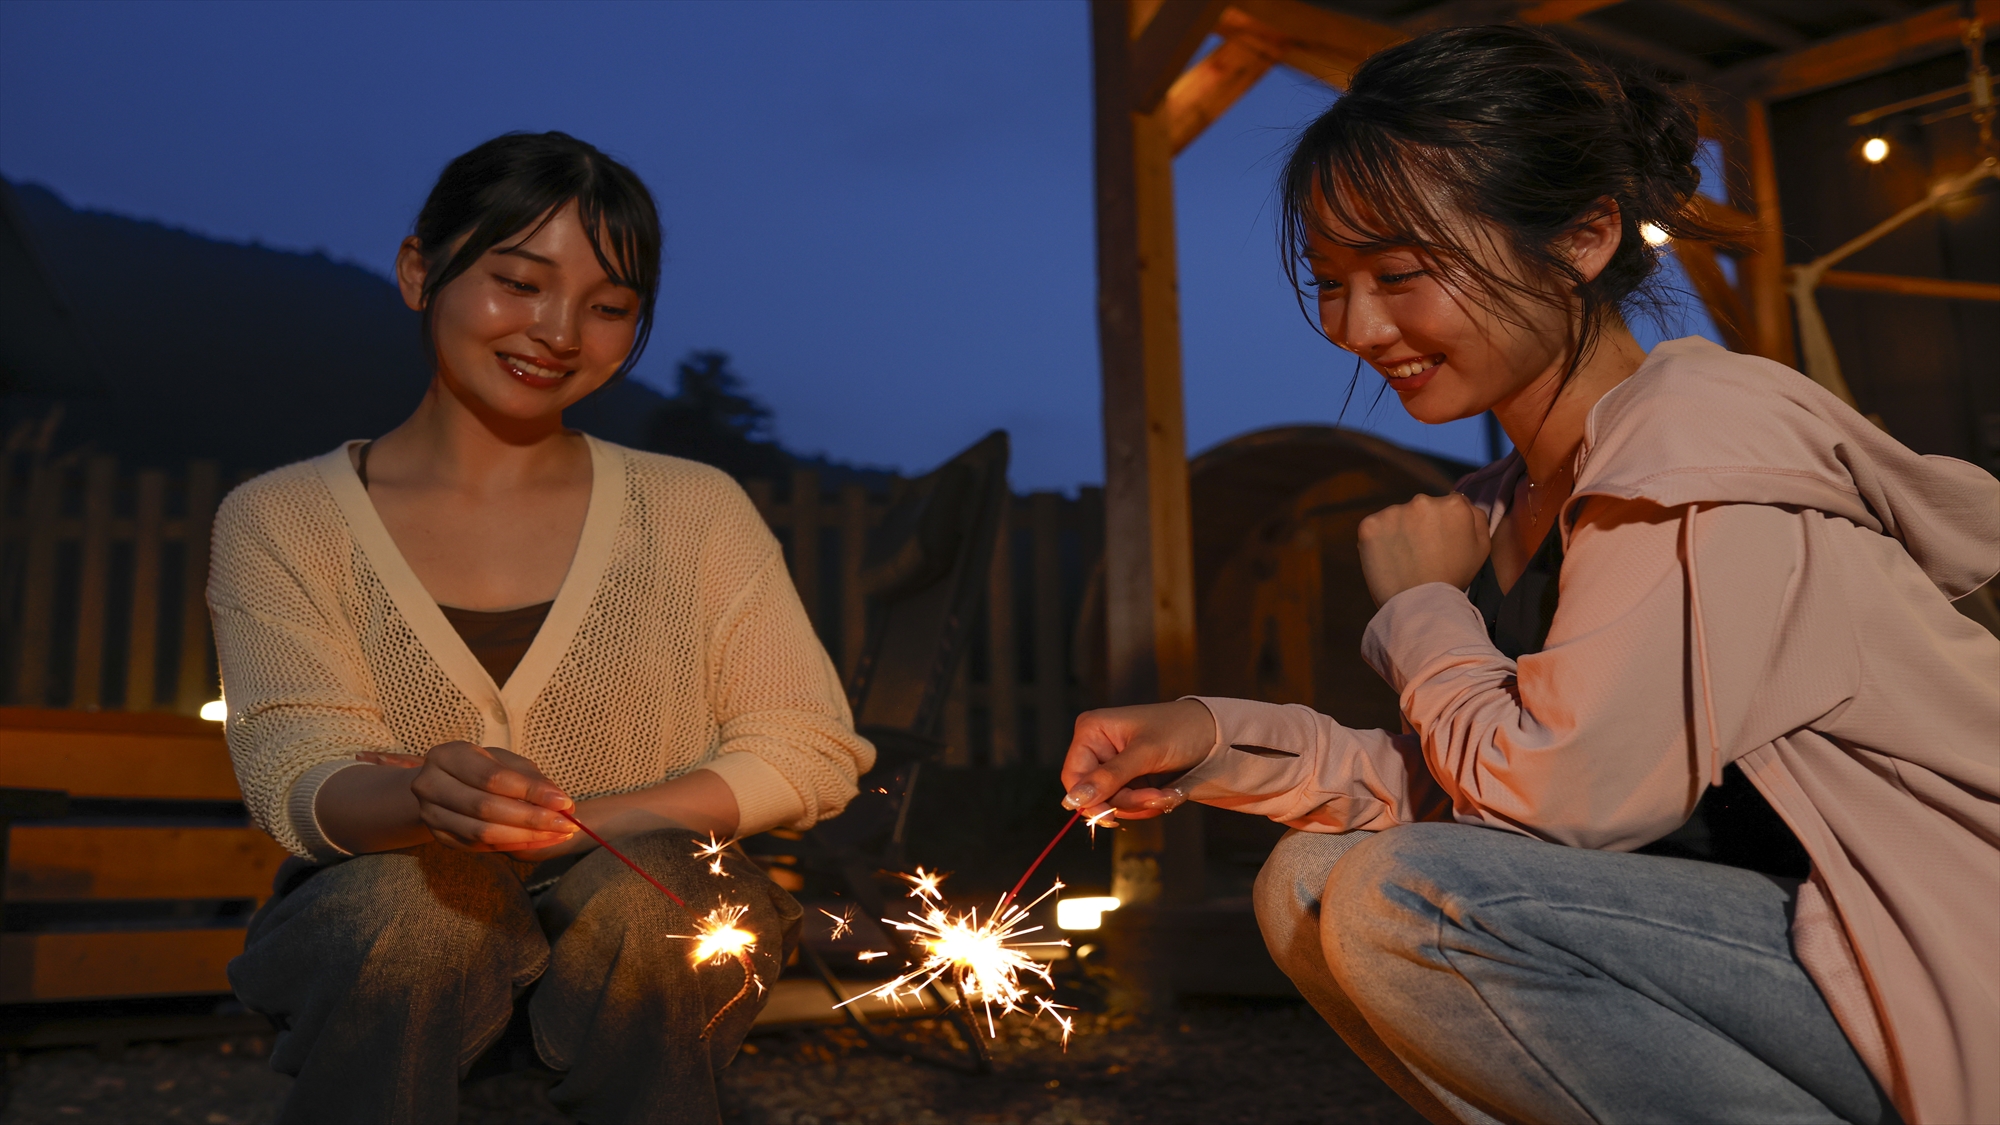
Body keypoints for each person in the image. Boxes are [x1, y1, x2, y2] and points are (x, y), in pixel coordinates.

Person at [1059, 26, 1996, 1125]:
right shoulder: (1517, 497)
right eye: (1331, 284)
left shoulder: (1698, 450)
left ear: (1583, 238)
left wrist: (1419, 609)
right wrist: (1210, 737)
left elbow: (1561, 802)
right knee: (1311, 881)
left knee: (1395, 897)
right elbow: (1478, 785)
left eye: (1400, 275)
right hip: (1801, 944)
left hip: (1932, 957)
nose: (1357, 327)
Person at [208, 131, 874, 1125]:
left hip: (640, 904)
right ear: (418, 270)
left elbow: (808, 746)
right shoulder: (282, 517)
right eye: (518, 282)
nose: (559, 331)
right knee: (411, 915)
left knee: (663, 903)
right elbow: (293, 770)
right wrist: (419, 798)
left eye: (608, 308)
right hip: (377, 918)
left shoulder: (692, 510)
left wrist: (586, 824)